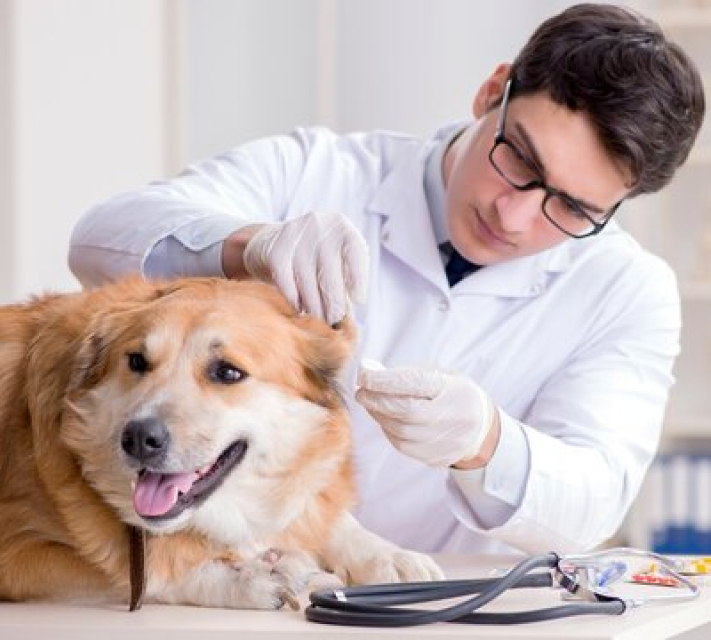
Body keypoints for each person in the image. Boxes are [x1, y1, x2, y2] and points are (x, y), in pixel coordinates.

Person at [69, 4, 705, 556]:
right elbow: (99, 238)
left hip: (436, 605)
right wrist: (249, 247)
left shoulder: (626, 291)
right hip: (230, 574)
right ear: (492, 92)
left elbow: (592, 507)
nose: (513, 216)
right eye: (518, 158)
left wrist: (485, 441)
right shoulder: (318, 170)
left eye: (570, 208)